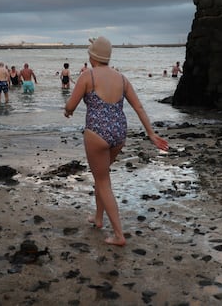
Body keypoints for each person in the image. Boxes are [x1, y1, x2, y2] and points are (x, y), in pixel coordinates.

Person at [63, 37, 169, 247]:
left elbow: (71, 104)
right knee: (102, 176)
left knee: (102, 181)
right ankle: (98, 218)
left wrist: (68, 111)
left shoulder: (88, 76)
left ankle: (119, 235)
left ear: (92, 56)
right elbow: (138, 107)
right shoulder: (121, 78)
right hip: (119, 133)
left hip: (97, 133)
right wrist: (150, 133)